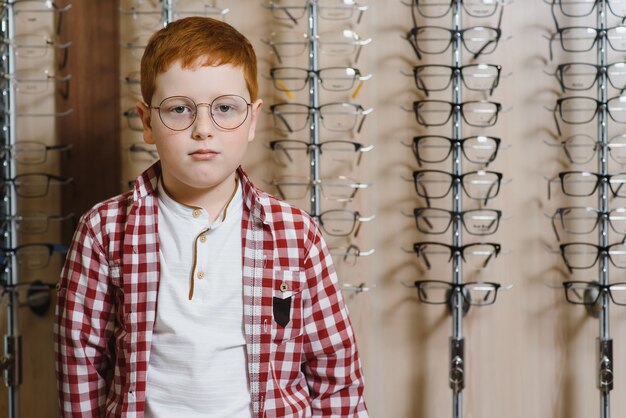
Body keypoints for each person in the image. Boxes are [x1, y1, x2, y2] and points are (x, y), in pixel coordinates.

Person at [54, 16, 368, 418]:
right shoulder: (103, 230)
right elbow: (80, 362)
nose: (204, 128)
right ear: (147, 122)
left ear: (252, 120)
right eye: (180, 109)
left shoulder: (296, 234)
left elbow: (335, 371)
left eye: (224, 108)